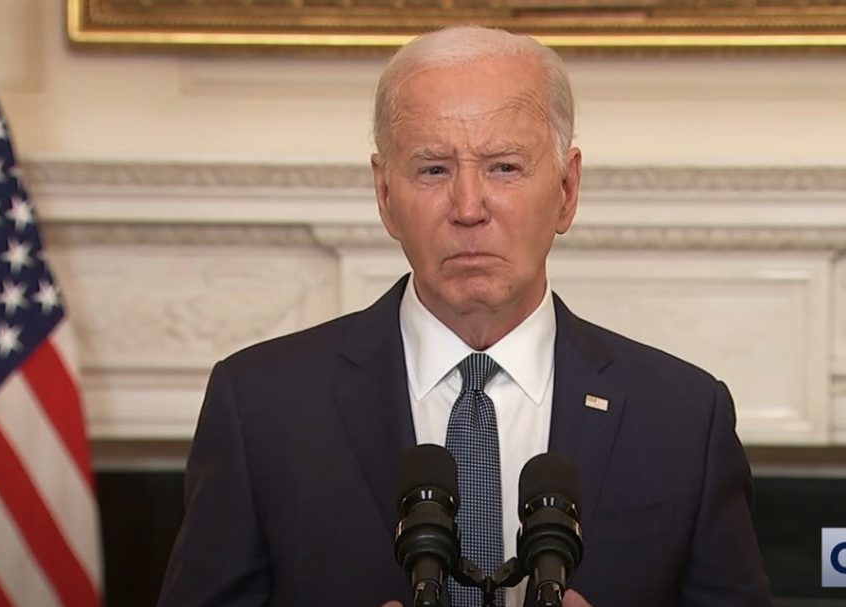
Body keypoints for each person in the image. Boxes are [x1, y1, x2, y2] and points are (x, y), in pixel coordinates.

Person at [158, 25, 771, 606]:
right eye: (434, 169)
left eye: (505, 167)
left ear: (566, 189)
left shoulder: (684, 418)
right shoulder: (260, 407)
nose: (469, 207)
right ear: (385, 195)